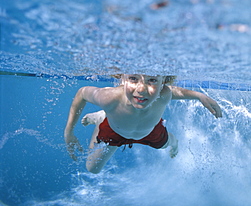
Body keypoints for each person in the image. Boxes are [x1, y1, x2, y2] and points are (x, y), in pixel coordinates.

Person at [64, 74, 222, 174]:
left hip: (150, 131)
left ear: (163, 83)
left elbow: (176, 91)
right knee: (92, 169)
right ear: (123, 79)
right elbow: (82, 93)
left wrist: (198, 95)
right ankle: (102, 117)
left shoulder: (164, 94)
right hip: (114, 129)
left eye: (152, 80)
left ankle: (174, 143)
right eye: (133, 78)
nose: (141, 89)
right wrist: (68, 132)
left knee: (169, 144)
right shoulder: (109, 98)